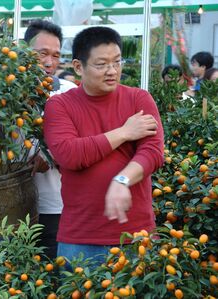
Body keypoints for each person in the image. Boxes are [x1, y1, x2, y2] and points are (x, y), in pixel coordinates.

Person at [43, 26, 164, 267]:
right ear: (79, 67)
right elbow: (69, 154)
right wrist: (124, 132)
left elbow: (152, 153)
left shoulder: (139, 99)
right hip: (80, 238)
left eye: (117, 62)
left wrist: (122, 180)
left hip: (135, 235)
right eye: (101, 64)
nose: (112, 71)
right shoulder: (60, 105)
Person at [23, 20, 77, 259]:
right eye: (42, 53)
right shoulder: (3, 91)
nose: (49, 62)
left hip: (55, 205)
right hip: (10, 209)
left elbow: (82, 141)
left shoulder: (69, 91)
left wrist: (50, 155)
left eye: (56, 55)